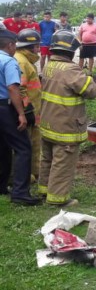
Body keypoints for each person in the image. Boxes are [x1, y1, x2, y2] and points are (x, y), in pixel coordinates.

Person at [38, 30, 96, 207]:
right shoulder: (71, 70)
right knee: (62, 163)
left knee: (47, 159)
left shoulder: (48, 66)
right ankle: (58, 199)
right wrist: (89, 77)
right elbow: (92, 91)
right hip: (65, 127)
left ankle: (44, 190)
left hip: (48, 123)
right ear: (71, 51)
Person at [0, 30, 41, 205]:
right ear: (10, 45)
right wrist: (21, 114)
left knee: (2, 148)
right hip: (6, 107)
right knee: (23, 148)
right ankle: (20, 193)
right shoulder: (10, 61)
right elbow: (13, 88)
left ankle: (2, 186)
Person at [14, 29, 42, 181]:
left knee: (34, 143)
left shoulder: (26, 60)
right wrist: (27, 110)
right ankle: (25, 175)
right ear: (29, 46)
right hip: (29, 110)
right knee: (27, 144)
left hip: (34, 110)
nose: (38, 49)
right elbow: (21, 87)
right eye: (37, 46)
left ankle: (33, 172)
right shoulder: (21, 61)